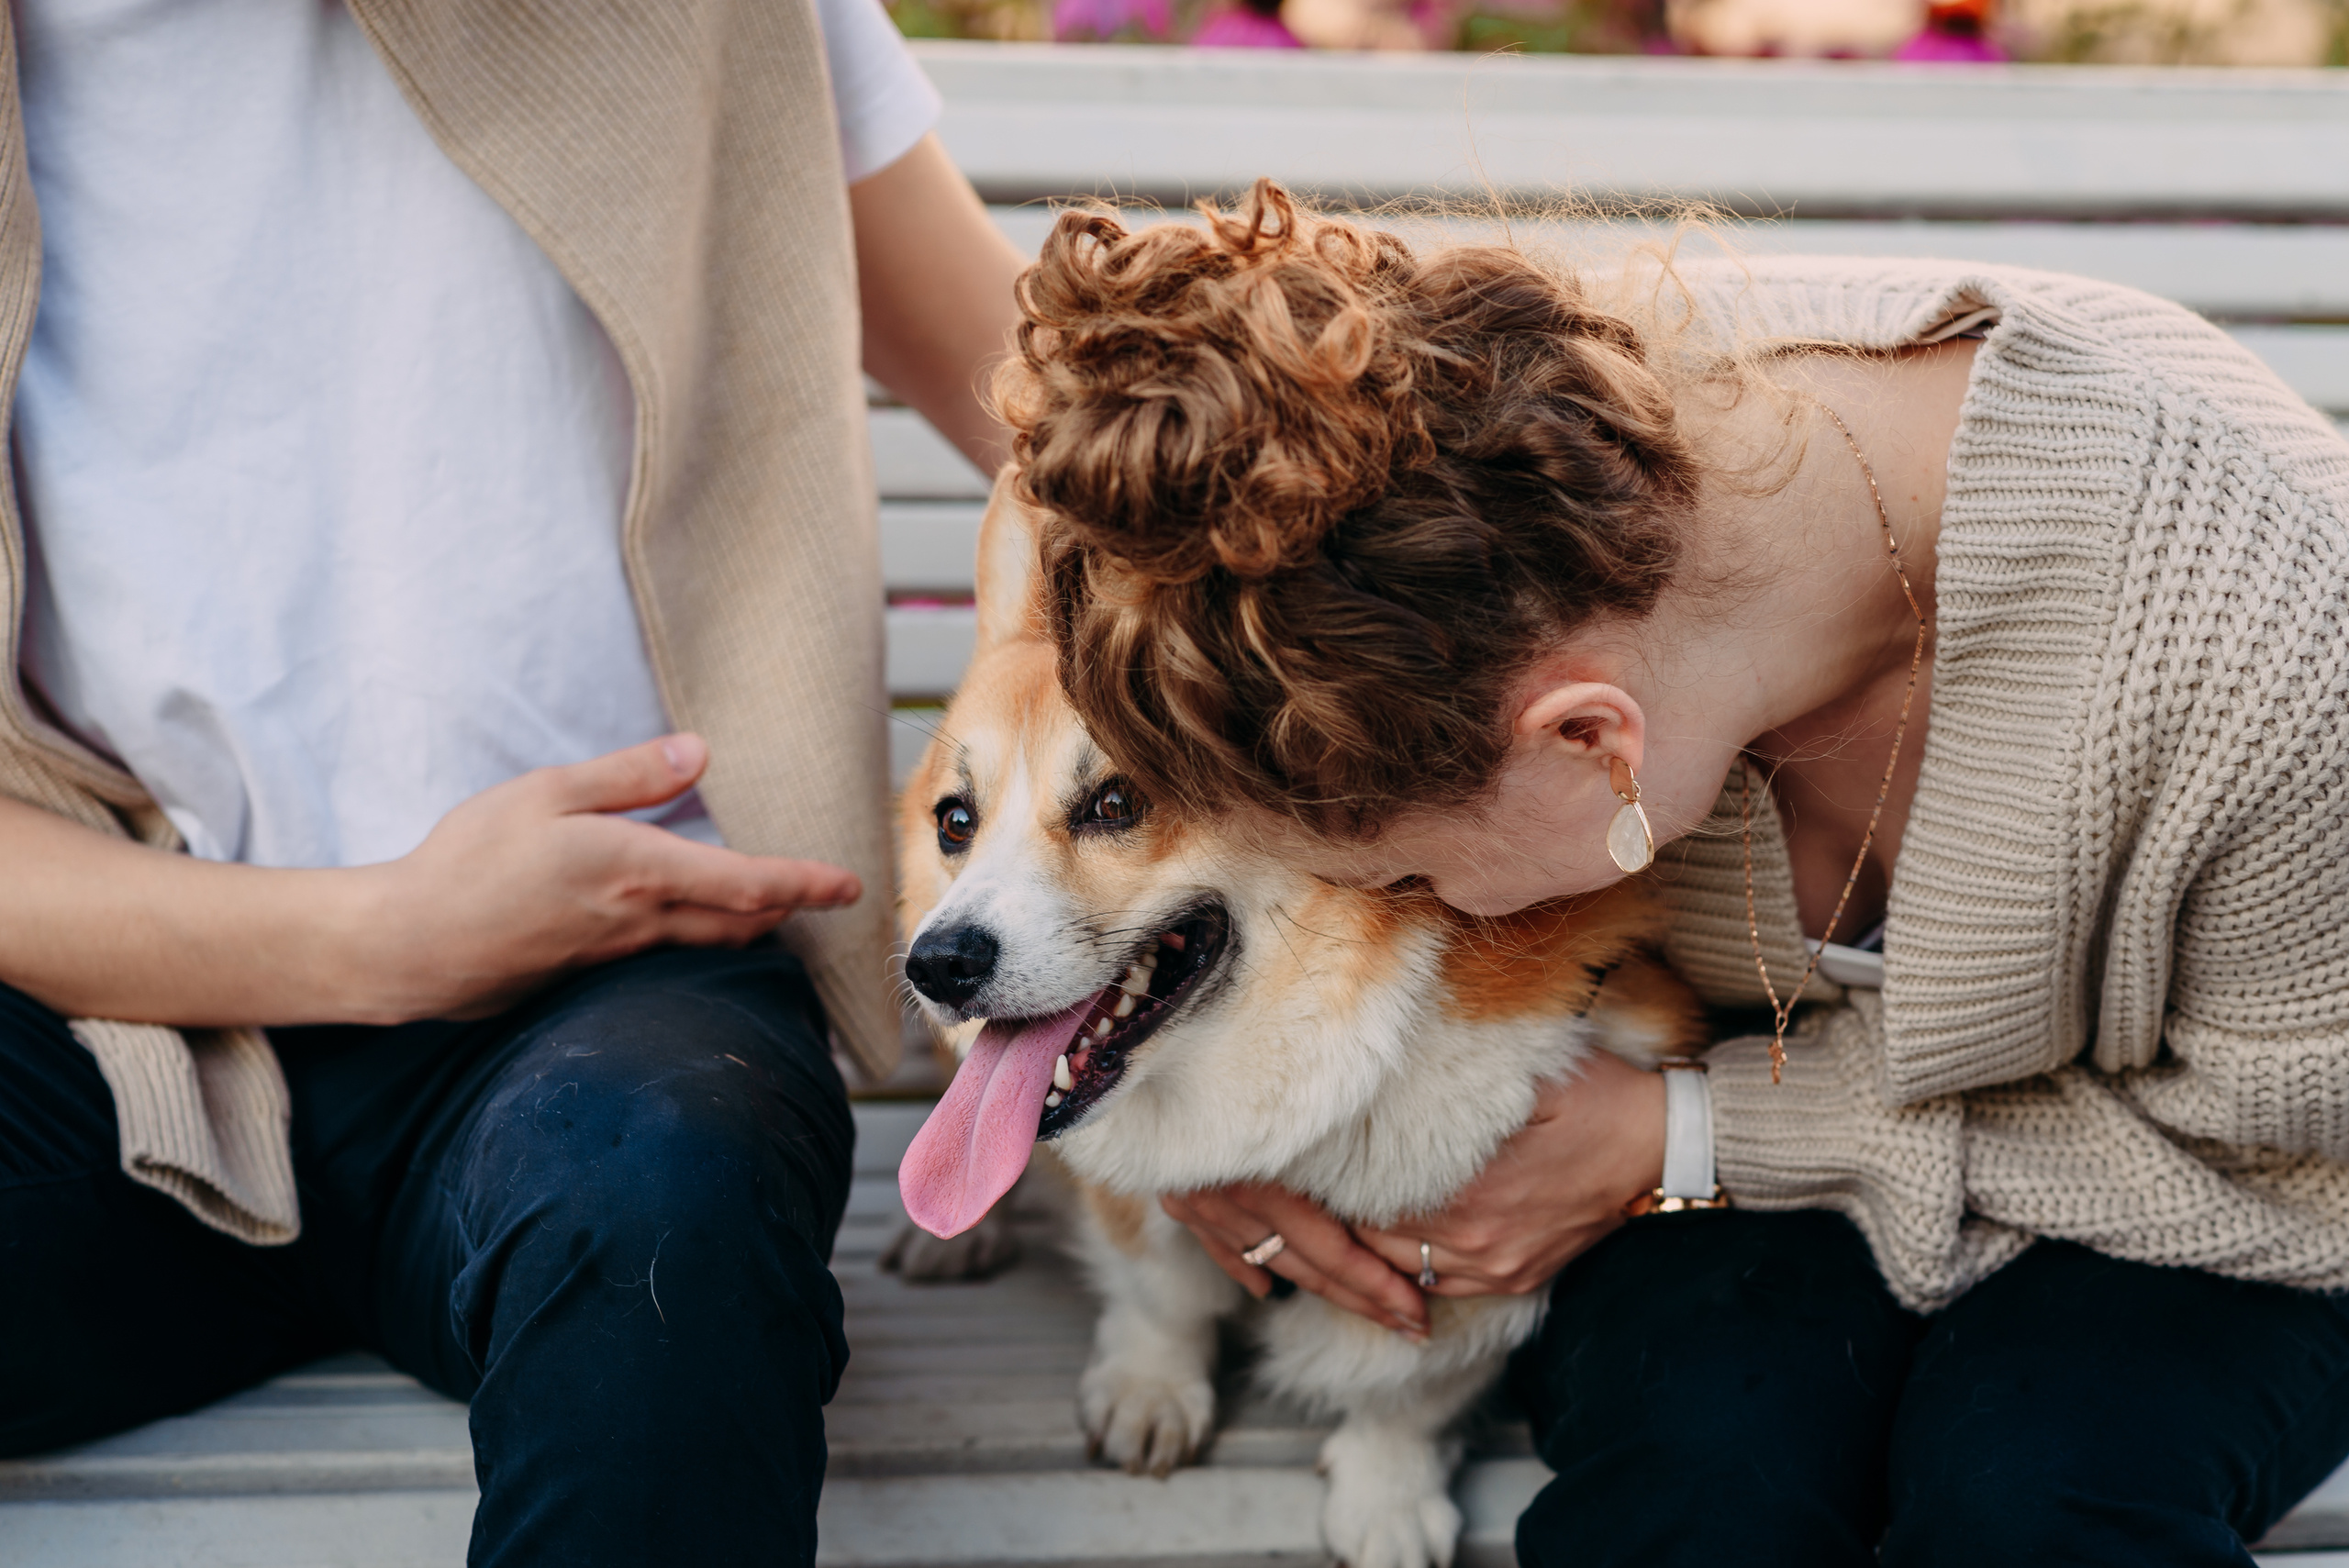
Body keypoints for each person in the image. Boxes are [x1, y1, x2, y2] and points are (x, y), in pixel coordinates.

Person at [995, 182, 2349, 1564]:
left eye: (1412, 869)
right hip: (1727, 1157)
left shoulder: (2275, 653)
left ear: (1591, 740)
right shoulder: (1430, 471)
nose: (1435, 911)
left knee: (2034, 1497)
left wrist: (1687, 1134)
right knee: (1697, 1489)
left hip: (2240, 1187)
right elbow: (1101, 523)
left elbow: (2299, 1131)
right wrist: (1203, 1130)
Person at [0, 3, 1024, 1565]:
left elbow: (1051, 419)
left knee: (669, 1208)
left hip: (617, 978)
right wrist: (375, 936)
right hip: (98, 999)